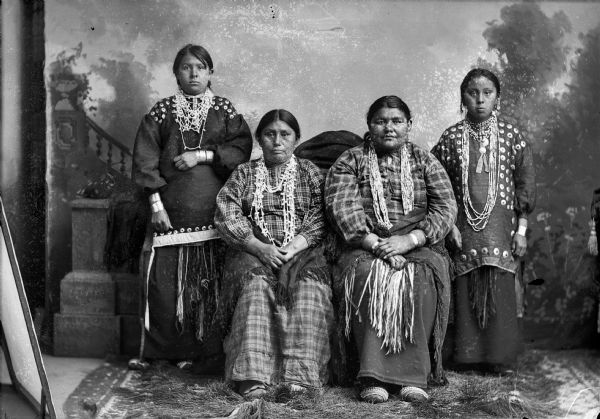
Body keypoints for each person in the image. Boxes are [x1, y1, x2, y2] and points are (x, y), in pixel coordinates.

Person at [325, 96, 457, 403]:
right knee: (367, 276)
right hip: (366, 244)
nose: (389, 127)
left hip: (417, 243)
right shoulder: (350, 160)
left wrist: (410, 240)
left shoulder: (424, 160)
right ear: (369, 125)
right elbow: (342, 207)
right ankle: (373, 377)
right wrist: (377, 245)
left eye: (397, 121)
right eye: (381, 121)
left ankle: (413, 378)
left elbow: (445, 207)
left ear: (409, 126)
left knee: (420, 279)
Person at [130, 44, 252, 370]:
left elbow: (240, 150)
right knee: (164, 288)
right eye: (186, 67)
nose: (194, 73)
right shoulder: (161, 112)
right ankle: (159, 353)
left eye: (200, 67)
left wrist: (202, 155)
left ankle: (201, 356)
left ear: (211, 72)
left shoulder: (225, 111)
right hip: (170, 217)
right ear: (176, 73)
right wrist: (156, 205)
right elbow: (144, 162)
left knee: (205, 289)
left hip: (213, 217)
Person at [215, 109, 333, 398]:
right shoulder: (245, 173)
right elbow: (227, 211)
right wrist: (259, 247)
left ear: (296, 139)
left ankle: (300, 378)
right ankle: (253, 377)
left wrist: (293, 247)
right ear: (259, 139)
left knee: (308, 290)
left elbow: (322, 215)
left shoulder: (310, 173)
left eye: (285, 134)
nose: (277, 141)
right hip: (255, 251)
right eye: (269, 134)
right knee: (256, 287)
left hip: (302, 251)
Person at [431, 68, 536, 373]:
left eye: (487, 93)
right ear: (462, 97)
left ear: (497, 98)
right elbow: (438, 186)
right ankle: (467, 356)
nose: (479, 100)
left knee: (500, 281)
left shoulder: (511, 136)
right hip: (462, 225)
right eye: (472, 93)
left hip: (502, 226)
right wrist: (448, 225)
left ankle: (499, 357)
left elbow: (525, 181)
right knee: (464, 284)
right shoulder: (451, 138)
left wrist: (522, 230)